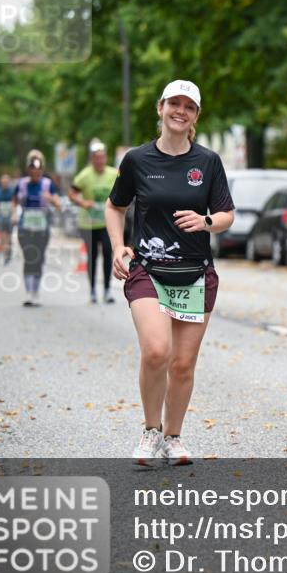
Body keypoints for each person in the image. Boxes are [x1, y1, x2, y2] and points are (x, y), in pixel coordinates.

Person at [106, 80, 235, 467]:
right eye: (174, 104)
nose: (180, 111)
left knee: (182, 364)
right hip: (148, 270)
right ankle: (151, 430)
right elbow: (114, 206)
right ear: (160, 108)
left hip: (195, 273)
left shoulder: (208, 162)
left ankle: (173, 437)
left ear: (196, 116)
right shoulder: (137, 159)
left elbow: (227, 215)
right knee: (157, 351)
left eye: (189, 107)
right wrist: (117, 246)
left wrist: (206, 221)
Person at [70, 139, 117, 303]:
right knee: (92, 256)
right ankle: (92, 291)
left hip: (107, 222)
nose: (100, 161)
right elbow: (71, 193)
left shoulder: (113, 173)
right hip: (88, 223)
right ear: (92, 159)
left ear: (106, 158)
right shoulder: (85, 175)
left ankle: (107, 290)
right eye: (97, 158)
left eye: (102, 157)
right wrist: (83, 202)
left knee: (107, 253)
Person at [13, 150, 61, 306]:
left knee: (38, 259)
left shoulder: (48, 184)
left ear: (42, 169)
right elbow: (14, 201)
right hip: (24, 227)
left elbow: (59, 205)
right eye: (32, 168)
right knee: (29, 257)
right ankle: (28, 293)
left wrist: (50, 198)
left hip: (42, 228)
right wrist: (13, 214)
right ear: (28, 169)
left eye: (38, 168)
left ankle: (35, 291)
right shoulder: (21, 184)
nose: (35, 171)